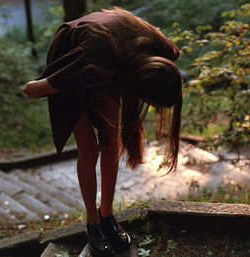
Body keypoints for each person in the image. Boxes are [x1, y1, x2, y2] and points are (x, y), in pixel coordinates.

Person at [23, 7, 182, 257]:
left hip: (111, 54)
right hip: (73, 56)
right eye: (150, 102)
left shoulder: (165, 51)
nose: (150, 108)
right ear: (136, 87)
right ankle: (92, 223)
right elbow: (30, 90)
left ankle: (106, 215)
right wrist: (56, 81)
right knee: (89, 147)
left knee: (109, 142)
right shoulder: (91, 65)